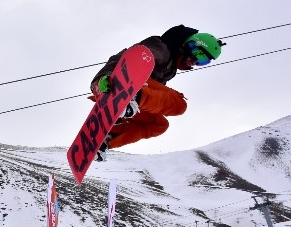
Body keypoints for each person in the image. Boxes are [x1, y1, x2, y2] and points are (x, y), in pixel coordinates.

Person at [90, 25, 226, 161]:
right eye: (198, 54)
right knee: (179, 104)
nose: (195, 62)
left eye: (203, 62)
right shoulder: (161, 50)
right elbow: (123, 58)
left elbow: (155, 95)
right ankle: (133, 98)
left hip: (129, 95)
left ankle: (105, 139)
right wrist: (102, 79)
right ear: (189, 45)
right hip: (117, 84)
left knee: (159, 125)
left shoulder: (171, 69)